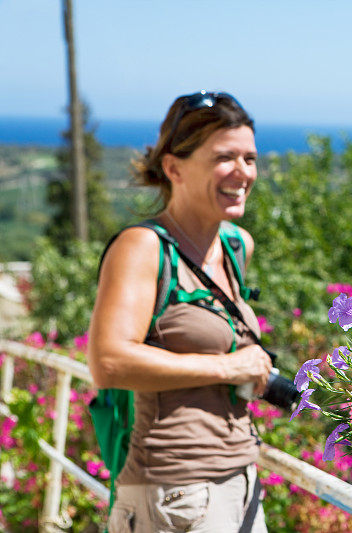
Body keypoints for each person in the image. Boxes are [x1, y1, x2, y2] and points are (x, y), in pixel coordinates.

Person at [88, 91, 272, 533]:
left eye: (250, 158)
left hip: (241, 481)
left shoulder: (235, 246)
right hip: (176, 493)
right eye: (224, 158)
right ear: (174, 168)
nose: (242, 172)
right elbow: (110, 362)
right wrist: (229, 367)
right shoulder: (144, 247)